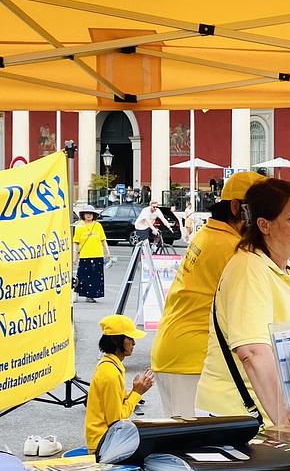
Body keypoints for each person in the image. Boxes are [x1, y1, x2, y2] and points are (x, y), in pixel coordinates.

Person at [195, 178, 290, 426]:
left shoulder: (283, 268)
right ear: (264, 225)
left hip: (268, 417)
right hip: (240, 419)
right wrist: (283, 417)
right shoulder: (248, 268)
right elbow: (252, 351)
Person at [151, 172, 266, 418]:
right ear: (236, 207)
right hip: (192, 357)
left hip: (177, 349)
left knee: (184, 440)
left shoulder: (209, 234)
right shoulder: (230, 247)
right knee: (193, 444)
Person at [85, 315, 154, 453]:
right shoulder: (110, 373)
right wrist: (137, 393)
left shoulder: (111, 366)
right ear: (117, 341)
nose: (134, 343)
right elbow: (116, 421)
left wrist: (135, 391)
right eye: (130, 339)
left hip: (106, 440)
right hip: (104, 444)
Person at [73, 204, 111, 304]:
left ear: (94, 215)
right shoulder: (79, 226)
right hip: (85, 255)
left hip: (97, 255)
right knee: (81, 276)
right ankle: (75, 294)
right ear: (83, 215)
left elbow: (103, 240)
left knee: (95, 277)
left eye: (91, 214)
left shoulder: (98, 226)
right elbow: (75, 243)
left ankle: (91, 296)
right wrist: (74, 257)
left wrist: (108, 253)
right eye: (87, 214)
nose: (89, 215)